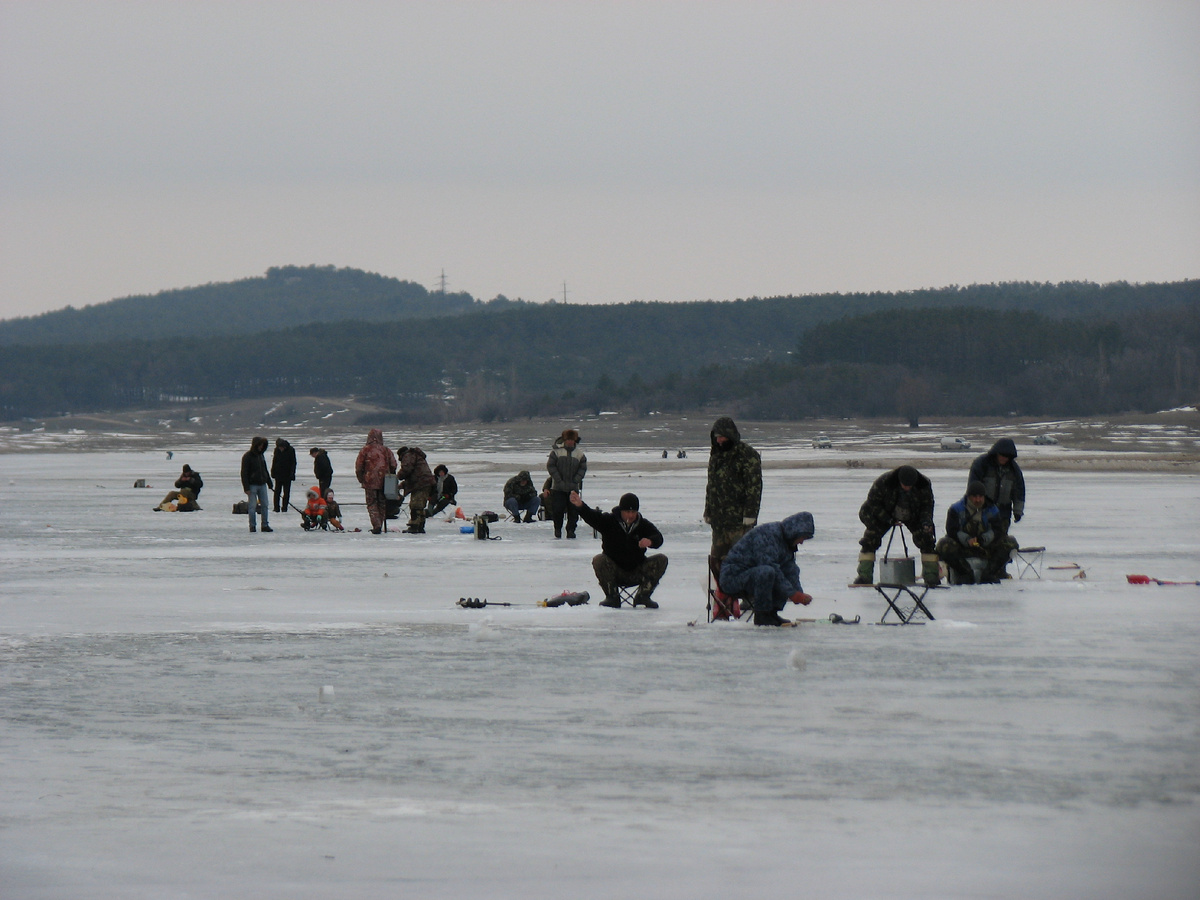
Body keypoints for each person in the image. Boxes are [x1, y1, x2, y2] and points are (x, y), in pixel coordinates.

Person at [569, 491, 668, 608]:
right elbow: (592, 517)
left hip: (637, 570)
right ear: (621, 510)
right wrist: (580, 505)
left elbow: (658, 538)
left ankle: (643, 596)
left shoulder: (643, 524)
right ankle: (612, 597)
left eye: (633, 512)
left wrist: (650, 541)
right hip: (614, 572)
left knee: (662, 559)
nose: (630, 515)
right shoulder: (609, 521)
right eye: (627, 512)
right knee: (599, 560)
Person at [719, 512, 815, 626]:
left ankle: (772, 613)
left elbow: (790, 569)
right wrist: (792, 593)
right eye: (802, 537)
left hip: (755, 577)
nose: (802, 542)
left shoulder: (787, 542)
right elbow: (770, 567)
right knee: (767, 572)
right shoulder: (767, 535)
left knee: (781, 571)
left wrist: (799, 593)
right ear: (795, 531)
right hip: (733, 578)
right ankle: (762, 615)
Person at [854, 465, 939, 586]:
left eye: (911, 486)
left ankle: (931, 575)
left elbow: (927, 506)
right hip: (884, 512)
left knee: (927, 538)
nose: (908, 488)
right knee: (870, 539)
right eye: (905, 485)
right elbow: (873, 503)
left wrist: (926, 522)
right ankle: (864, 575)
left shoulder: (924, 484)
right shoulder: (883, 482)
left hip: (912, 513)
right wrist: (888, 520)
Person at [703, 416, 762, 587]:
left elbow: (754, 487)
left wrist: (750, 514)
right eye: (716, 437)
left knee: (743, 559)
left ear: (730, 435)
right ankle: (723, 596)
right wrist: (708, 510)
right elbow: (711, 486)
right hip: (720, 522)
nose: (719, 440)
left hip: (740, 522)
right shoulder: (716, 456)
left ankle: (748, 594)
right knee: (717, 560)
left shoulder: (747, 455)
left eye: (721, 436)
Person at [936, 481, 1016, 584]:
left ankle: (989, 573)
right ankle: (965, 573)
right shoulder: (956, 509)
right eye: (974, 497)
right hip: (963, 548)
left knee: (1011, 543)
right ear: (968, 496)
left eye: (980, 497)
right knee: (944, 544)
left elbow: (998, 531)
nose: (977, 500)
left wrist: (983, 539)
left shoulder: (992, 510)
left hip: (985, 548)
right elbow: (952, 531)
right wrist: (967, 540)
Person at [968, 438, 1026, 535]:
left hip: (1003, 515)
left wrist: (1018, 511)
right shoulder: (981, 464)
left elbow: (1019, 491)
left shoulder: (1014, 470)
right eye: (1002, 455)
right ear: (996, 453)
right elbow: (972, 487)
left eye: (1007, 456)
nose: (1004, 458)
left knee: (999, 542)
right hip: (982, 512)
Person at [354, 428, 397, 535]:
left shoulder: (365, 450)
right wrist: (389, 474)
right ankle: (380, 524)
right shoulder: (386, 450)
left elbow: (359, 467)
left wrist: (361, 479)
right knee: (382, 503)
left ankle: (376, 525)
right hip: (385, 483)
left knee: (372, 503)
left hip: (369, 482)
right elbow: (393, 465)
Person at [546, 428, 587, 538]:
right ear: (564, 440)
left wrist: (576, 480)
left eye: (571, 439)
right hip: (558, 487)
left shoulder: (579, 454)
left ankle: (571, 531)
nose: (569, 441)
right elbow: (551, 466)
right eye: (568, 439)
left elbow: (583, 468)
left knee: (573, 512)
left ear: (574, 440)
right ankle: (558, 530)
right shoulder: (556, 452)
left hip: (573, 487)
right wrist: (558, 479)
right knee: (558, 510)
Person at [396, 444, 436, 533]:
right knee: (420, 506)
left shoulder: (409, 455)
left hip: (421, 484)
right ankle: (420, 526)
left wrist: (397, 477)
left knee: (415, 505)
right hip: (425, 483)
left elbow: (407, 470)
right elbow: (414, 475)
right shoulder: (415, 456)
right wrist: (402, 485)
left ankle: (414, 527)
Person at [240, 436, 273, 533]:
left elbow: (264, 470)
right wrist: (246, 487)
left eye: (262, 445)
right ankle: (252, 526)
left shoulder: (261, 456)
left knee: (265, 505)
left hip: (262, 484)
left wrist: (269, 482)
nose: (261, 447)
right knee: (252, 506)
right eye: (260, 445)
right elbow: (244, 472)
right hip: (252, 485)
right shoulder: (247, 456)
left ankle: (265, 525)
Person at [271, 438, 298, 513]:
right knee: (277, 492)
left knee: (286, 492)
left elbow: (293, 463)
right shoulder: (276, 450)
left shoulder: (291, 450)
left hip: (287, 475)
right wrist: (272, 471)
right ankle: (276, 507)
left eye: (281, 447)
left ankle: (284, 508)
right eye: (279, 447)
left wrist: (292, 474)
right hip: (278, 474)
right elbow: (274, 461)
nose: (280, 449)